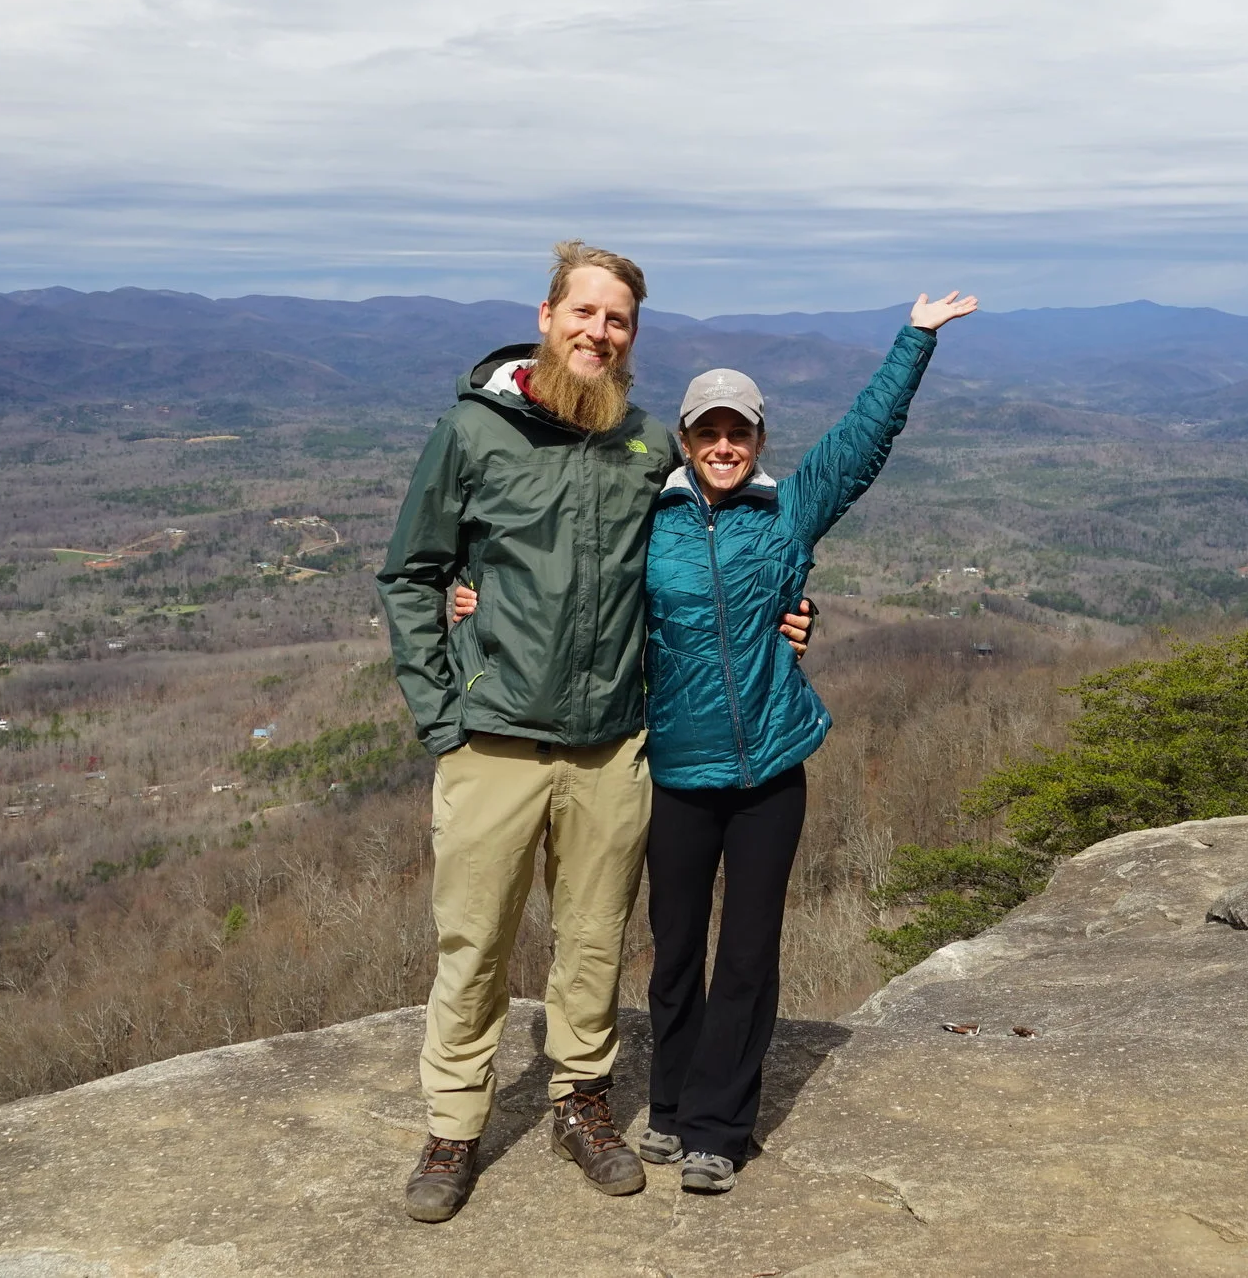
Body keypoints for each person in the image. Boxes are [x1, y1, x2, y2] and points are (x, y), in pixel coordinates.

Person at [454, 287, 978, 1195]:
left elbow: (863, 441)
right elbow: (564, 578)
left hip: (772, 764)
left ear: (759, 439)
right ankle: (668, 1102)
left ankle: (720, 1127)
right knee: (676, 947)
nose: (725, 445)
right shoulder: (645, 522)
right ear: (686, 441)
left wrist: (913, 341)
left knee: (747, 952)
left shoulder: (788, 512)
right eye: (708, 432)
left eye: (740, 431)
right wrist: (475, 599)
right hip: (681, 769)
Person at [375, 240, 813, 1224]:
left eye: (617, 320)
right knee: (474, 941)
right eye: (586, 312)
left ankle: (581, 1101)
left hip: (613, 742)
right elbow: (412, 573)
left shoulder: (647, 444)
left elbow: (718, 534)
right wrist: (443, 708)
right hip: (492, 738)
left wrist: (788, 609)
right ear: (546, 314)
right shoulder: (471, 432)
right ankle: (454, 1124)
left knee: (592, 943)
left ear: (630, 337)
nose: (598, 331)